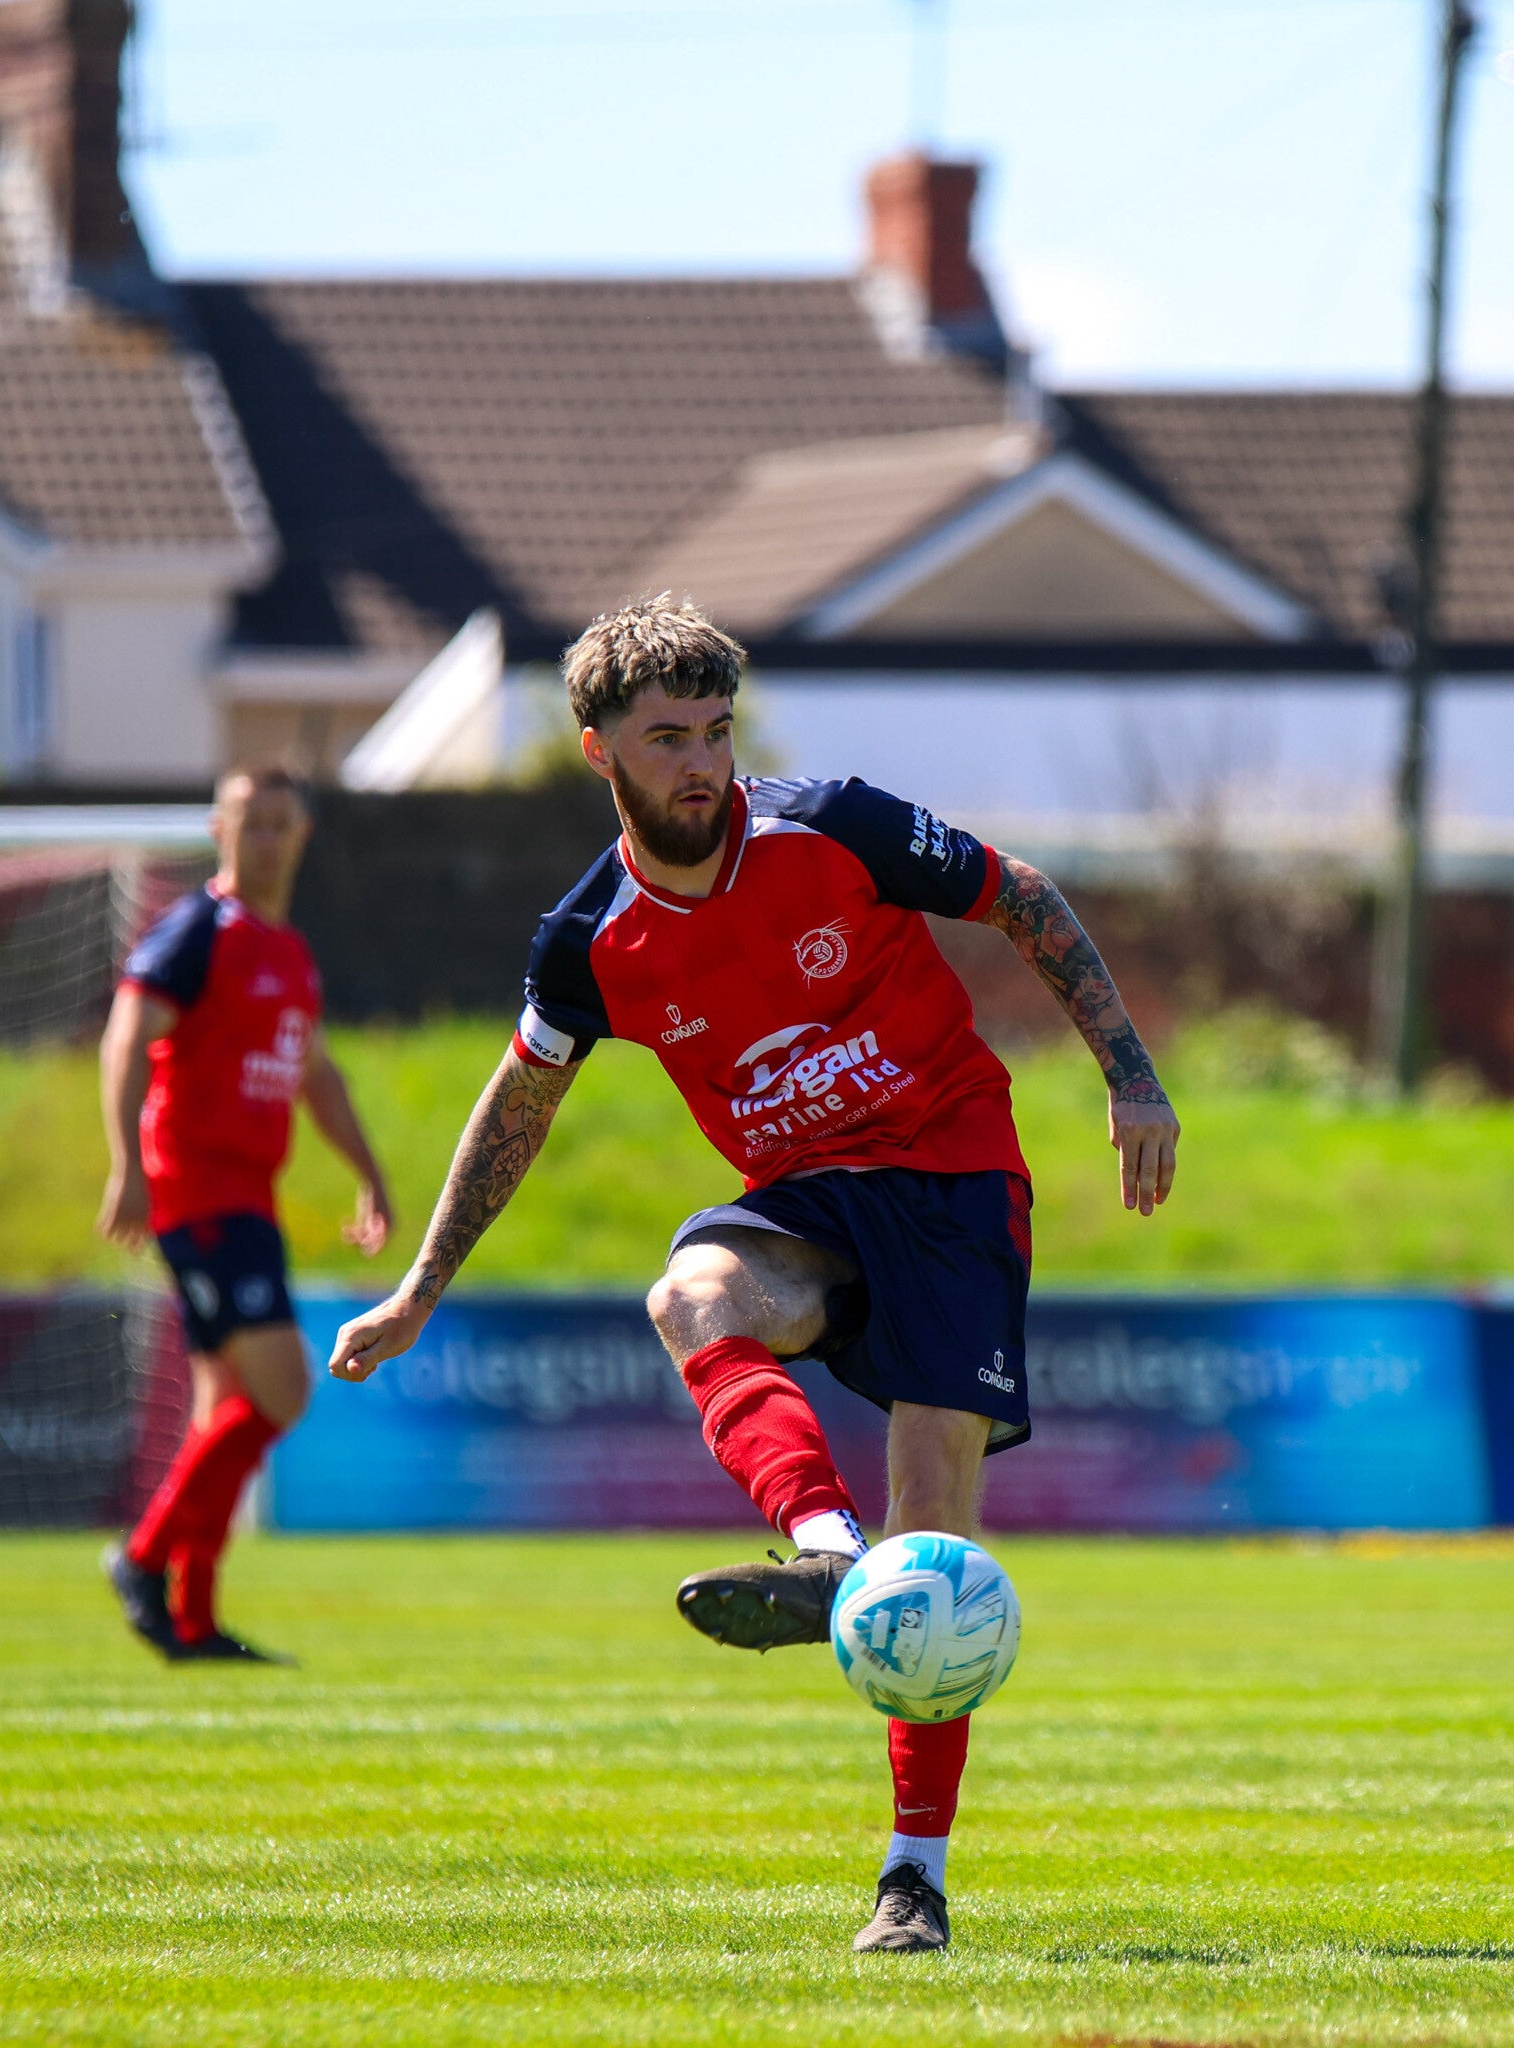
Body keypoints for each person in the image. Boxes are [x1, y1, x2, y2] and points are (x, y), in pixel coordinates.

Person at [328, 597, 1179, 1950]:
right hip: (806, 1201)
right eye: (668, 738)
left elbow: (1020, 895)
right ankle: (828, 1552)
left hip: (953, 1178)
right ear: (599, 749)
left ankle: (914, 1878)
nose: (703, 763)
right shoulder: (590, 939)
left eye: (717, 731)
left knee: (934, 1546)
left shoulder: (831, 825)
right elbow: (521, 1100)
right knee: (690, 1296)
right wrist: (421, 1287)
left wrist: (1131, 1077)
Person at [98, 767, 393, 1662]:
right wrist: (127, 1167)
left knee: (227, 1406)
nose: (265, 838)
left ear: (302, 835)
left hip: (247, 1200)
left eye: (279, 823)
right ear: (219, 831)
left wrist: (370, 1174)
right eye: (249, 822)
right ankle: (143, 1557)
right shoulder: (199, 929)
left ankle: (193, 1619)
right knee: (283, 1392)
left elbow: (317, 1076)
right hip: (200, 1194)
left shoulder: (288, 952)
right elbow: (127, 1035)